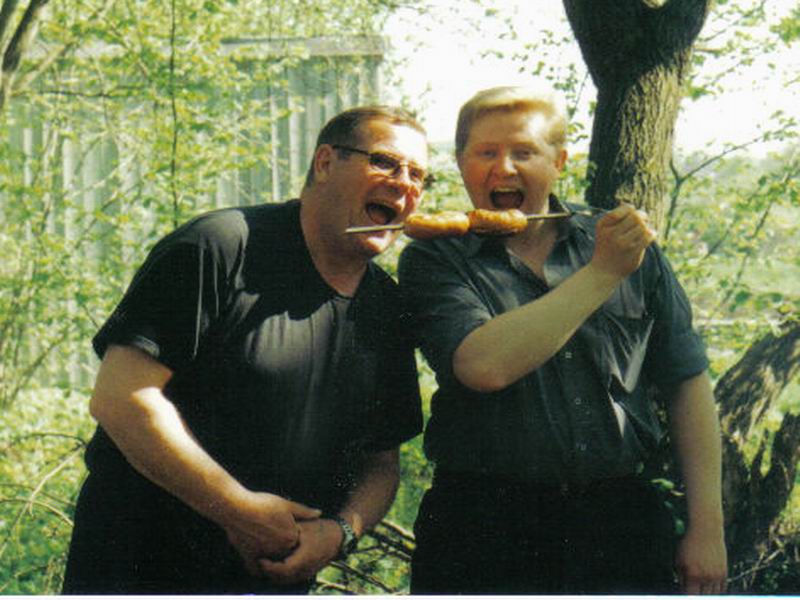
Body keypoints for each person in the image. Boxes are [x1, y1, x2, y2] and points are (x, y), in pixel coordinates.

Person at [62, 106, 428, 594]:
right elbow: (121, 399)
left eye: (419, 175)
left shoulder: (387, 307)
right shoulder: (219, 247)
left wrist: (339, 533)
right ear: (324, 163)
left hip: (274, 579)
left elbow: (381, 461)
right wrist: (237, 509)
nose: (404, 184)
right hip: (138, 567)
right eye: (385, 162)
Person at [398, 86, 728, 595]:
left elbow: (687, 383)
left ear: (559, 162)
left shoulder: (622, 244)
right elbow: (482, 365)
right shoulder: (434, 258)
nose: (504, 168)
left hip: (618, 520)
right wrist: (602, 274)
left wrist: (708, 529)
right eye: (486, 152)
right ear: (461, 163)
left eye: (524, 152)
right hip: (482, 525)